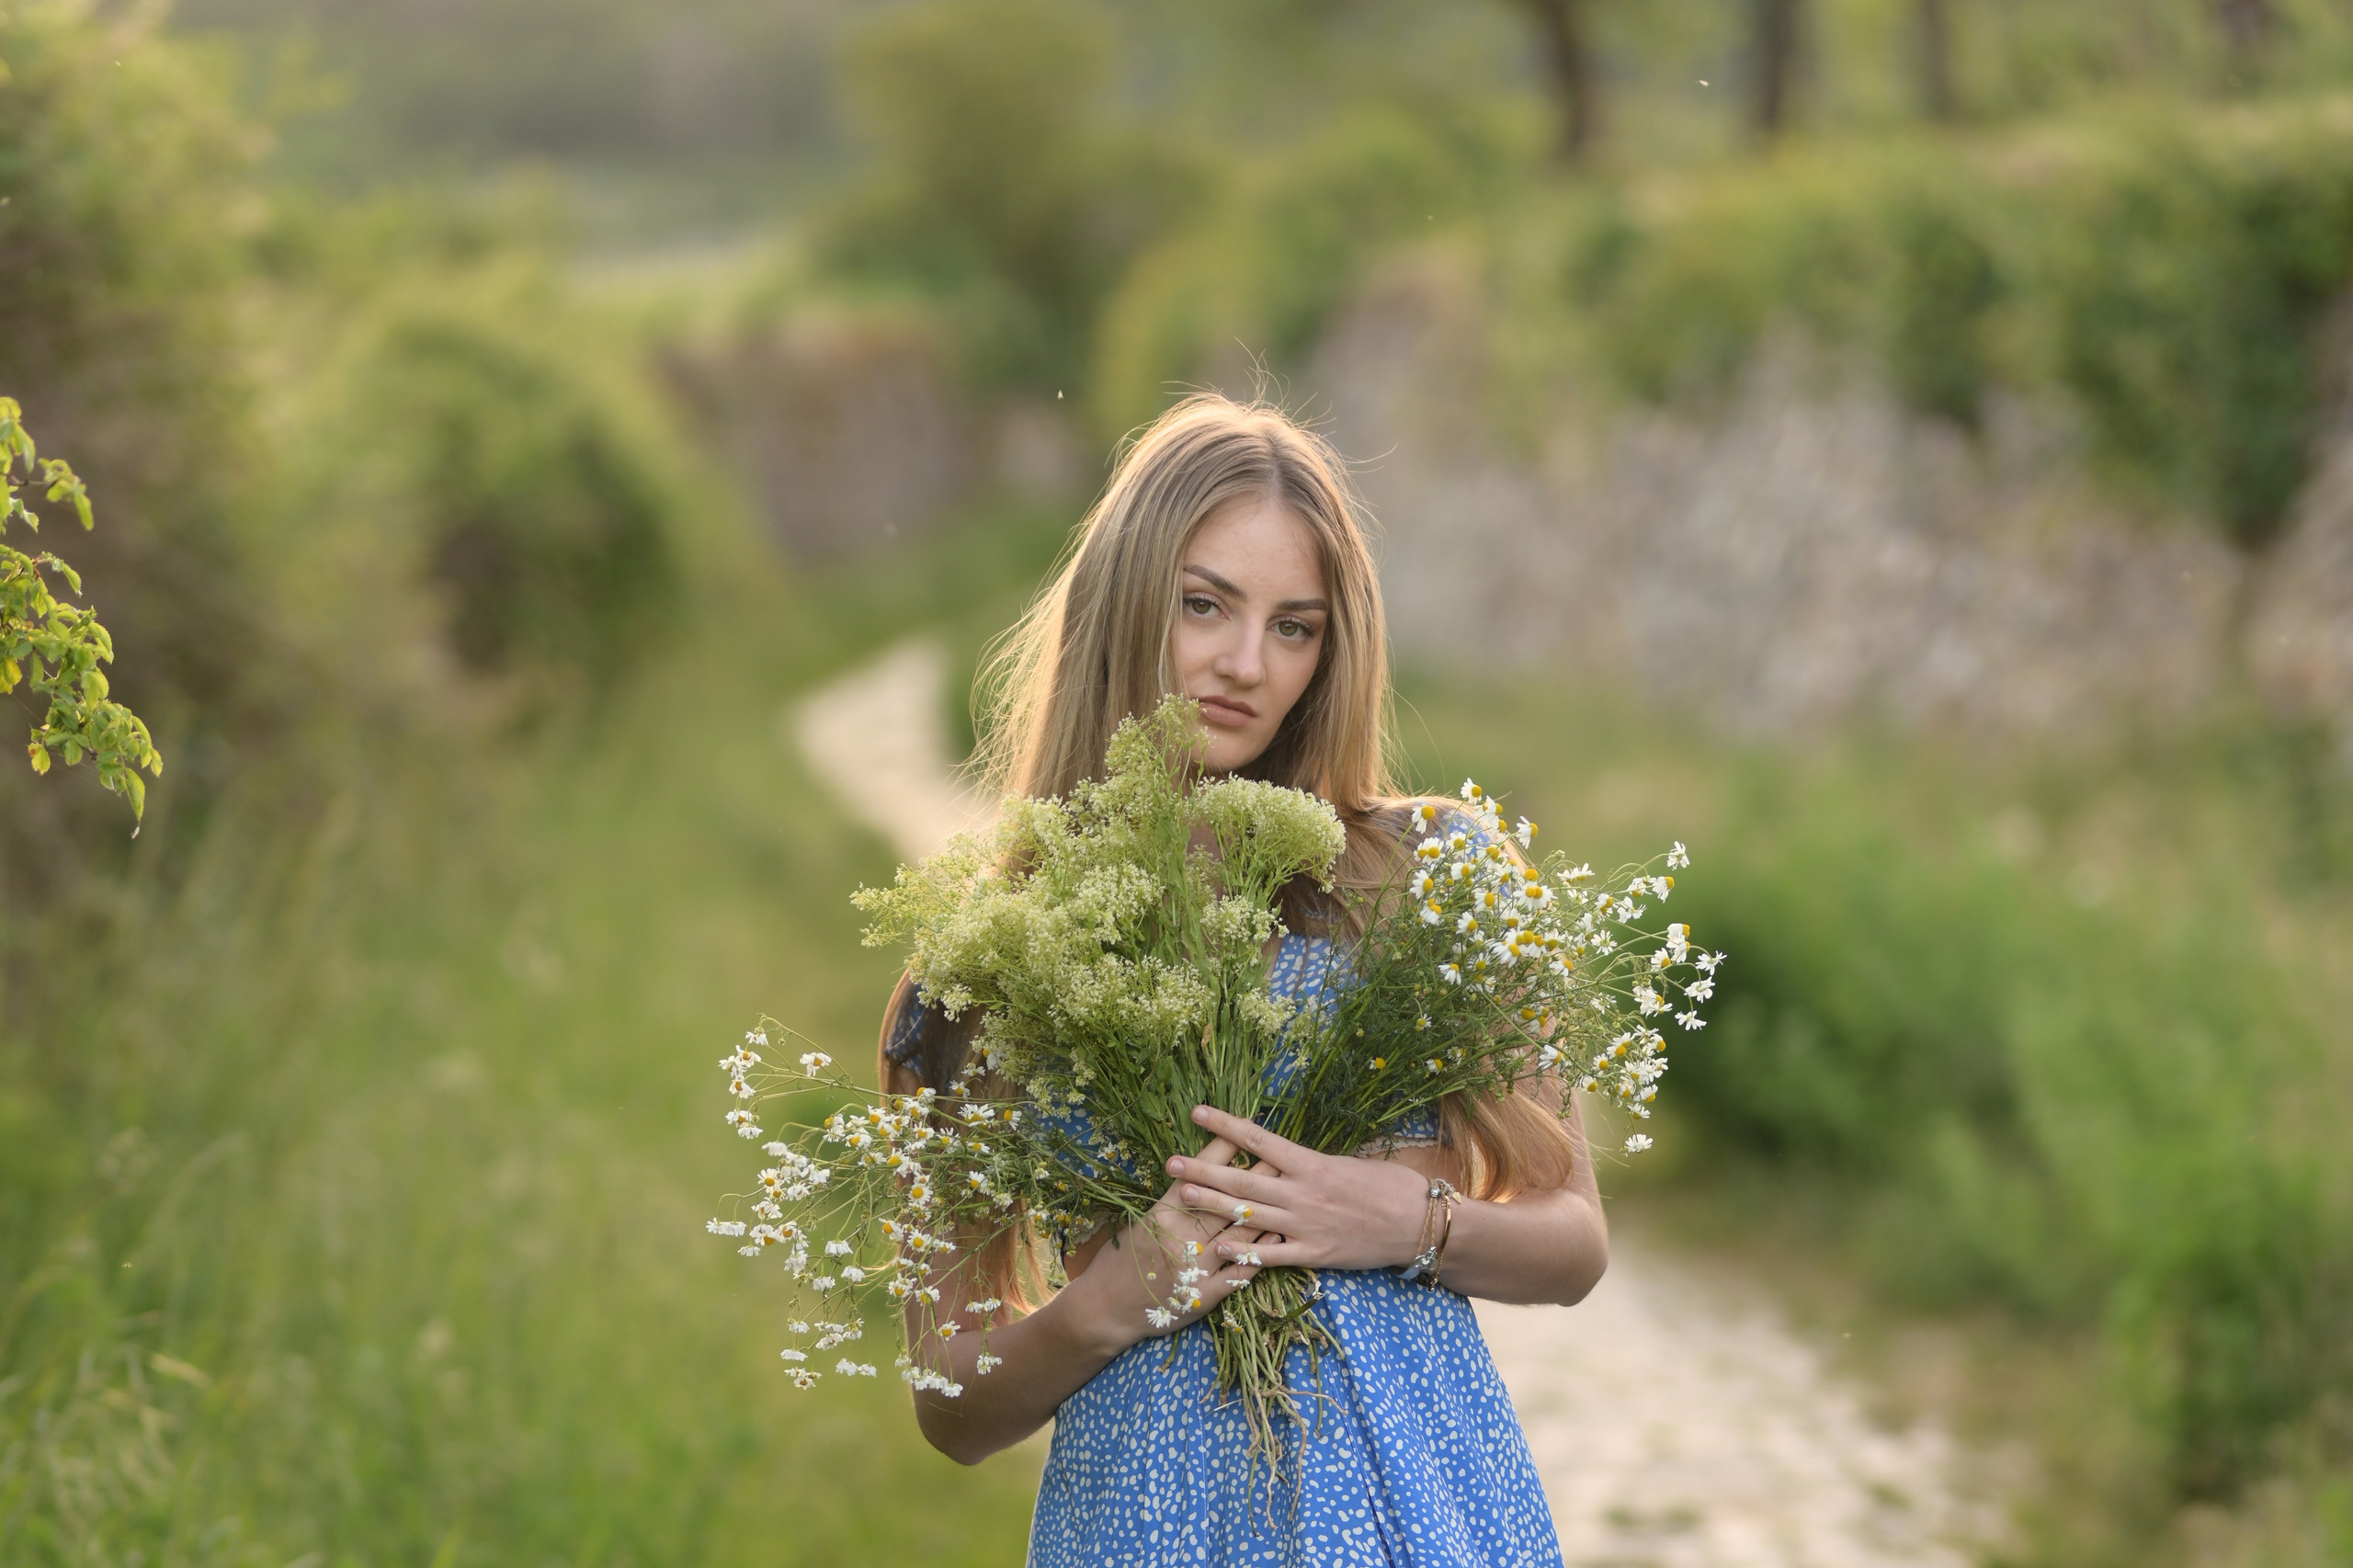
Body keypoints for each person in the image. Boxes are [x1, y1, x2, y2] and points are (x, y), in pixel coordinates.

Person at [877, 393, 1607, 1566]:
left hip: (1418, 1505)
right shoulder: (985, 966)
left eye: (1294, 626)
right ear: (1125, 603)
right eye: (1203, 604)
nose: (1242, 663)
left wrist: (1398, 1220)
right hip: (1141, 1528)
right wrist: (1109, 1301)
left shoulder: (1435, 875)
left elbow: (1572, 1240)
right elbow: (948, 1402)